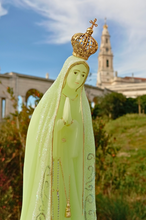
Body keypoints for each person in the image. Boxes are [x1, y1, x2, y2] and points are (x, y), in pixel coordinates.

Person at [20, 19, 98, 220]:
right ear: (66, 73)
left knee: (69, 206)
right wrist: (57, 126)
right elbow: (39, 129)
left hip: (70, 163)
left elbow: (84, 139)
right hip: (52, 161)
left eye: (83, 75)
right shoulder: (50, 101)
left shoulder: (81, 103)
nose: (79, 79)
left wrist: (74, 130)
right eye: (76, 73)